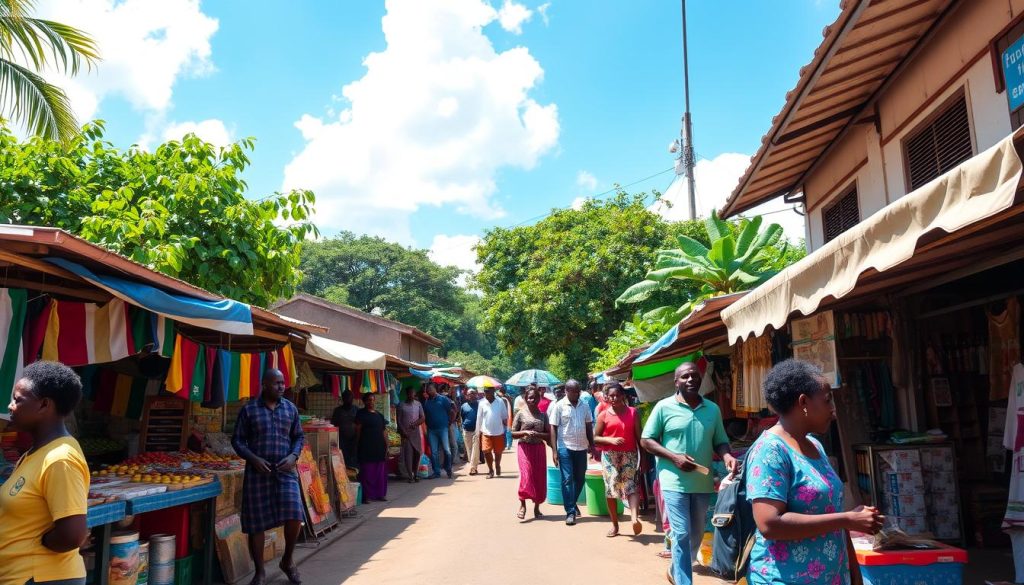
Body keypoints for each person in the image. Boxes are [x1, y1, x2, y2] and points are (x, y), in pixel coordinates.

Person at [746, 360, 883, 585]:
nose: (833, 410)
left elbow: (834, 516)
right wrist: (847, 519)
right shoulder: (770, 450)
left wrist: (855, 578)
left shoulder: (814, 445)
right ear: (803, 402)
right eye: (827, 400)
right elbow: (769, 524)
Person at [641, 362, 736, 585]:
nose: (691, 379)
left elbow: (720, 441)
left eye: (694, 375)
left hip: (701, 482)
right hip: (673, 480)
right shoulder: (664, 407)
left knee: (696, 534)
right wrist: (674, 457)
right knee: (681, 533)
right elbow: (647, 440)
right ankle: (685, 581)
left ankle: (675, 568)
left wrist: (727, 456)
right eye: (685, 377)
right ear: (676, 382)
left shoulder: (712, 409)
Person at [0, 361, 89, 585]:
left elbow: (72, 535)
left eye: (18, 400)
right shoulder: (35, 453)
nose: (10, 406)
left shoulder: (60, 458)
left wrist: (37, 543)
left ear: (44, 405)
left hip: (42, 577)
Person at [232, 369, 305, 585]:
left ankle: (288, 561)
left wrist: (293, 456)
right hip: (258, 472)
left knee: (295, 513)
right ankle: (260, 572)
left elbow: (299, 437)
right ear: (264, 385)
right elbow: (237, 440)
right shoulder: (249, 410)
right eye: (276, 383)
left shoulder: (290, 409)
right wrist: (253, 459)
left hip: (285, 471)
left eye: (283, 383)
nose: (281, 387)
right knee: (257, 523)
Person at [595, 383, 644, 537]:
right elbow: (595, 438)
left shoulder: (633, 412)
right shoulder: (603, 415)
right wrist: (610, 440)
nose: (614, 398)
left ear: (623, 396)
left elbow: (639, 437)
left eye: (617, 395)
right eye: (611, 396)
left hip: (630, 454)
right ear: (607, 397)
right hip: (610, 456)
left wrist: (643, 458)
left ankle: (634, 518)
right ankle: (615, 525)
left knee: (631, 486)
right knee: (611, 489)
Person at [549, 379, 594, 525]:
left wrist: (592, 445)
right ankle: (570, 512)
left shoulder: (585, 406)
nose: (576, 394)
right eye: (573, 391)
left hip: (581, 447)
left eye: (578, 391)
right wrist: (555, 451)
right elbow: (553, 428)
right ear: (566, 391)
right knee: (567, 479)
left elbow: (588, 427)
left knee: (580, 478)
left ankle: (572, 502)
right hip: (565, 447)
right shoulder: (559, 406)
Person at [512, 386, 549, 520]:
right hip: (525, 448)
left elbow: (549, 434)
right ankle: (522, 504)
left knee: (538, 478)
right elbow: (512, 433)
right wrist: (524, 432)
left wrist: (539, 434)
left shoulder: (543, 415)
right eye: (529, 397)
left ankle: (537, 508)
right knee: (526, 475)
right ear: (525, 399)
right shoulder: (521, 414)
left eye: (534, 397)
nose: (532, 400)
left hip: (538, 448)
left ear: (539, 399)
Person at [356, 393, 390, 501]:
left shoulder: (379, 415)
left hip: (379, 447)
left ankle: (380, 494)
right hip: (366, 447)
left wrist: (387, 446)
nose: (371, 402)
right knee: (367, 472)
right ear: (364, 402)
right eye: (369, 400)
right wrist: (357, 445)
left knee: (380, 473)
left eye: (372, 400)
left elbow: (384, 431)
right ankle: (367, 496)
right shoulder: (361, 414)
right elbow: (358, 431)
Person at [422, 383, 455, 479]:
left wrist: (450, 422)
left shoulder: (443, 399)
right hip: (431, 430)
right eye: (428, 390)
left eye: (430, 389)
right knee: (434, 452)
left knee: (447, 450)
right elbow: (425, 415)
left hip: (443, 428)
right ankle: (436, 472)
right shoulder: (427, 402)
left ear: (435, 389)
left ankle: (448, 469)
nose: (429, 391)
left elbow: (452, 411)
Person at [475, 387, 508, 478]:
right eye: (485, 391)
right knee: (486, 451)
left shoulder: (500, 401)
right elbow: (479, 418)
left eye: (488, 391)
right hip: (485, 432)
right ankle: (490, 470)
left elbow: (505, 416)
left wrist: (507, 429)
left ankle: (497, 465)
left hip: (498, 431)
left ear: (493, 391)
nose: (486, 393)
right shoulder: (481, 402)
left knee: (498, 452)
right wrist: (477, 432)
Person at [396, 388, 425, 484]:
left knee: (417, 452)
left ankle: (416, 473)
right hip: (405, 433)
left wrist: (415, 424)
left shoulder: (418, 404)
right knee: (408, 454)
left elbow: (422, 417)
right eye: (410, 394)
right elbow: (398, 420)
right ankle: (410, 476)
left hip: (415, 432)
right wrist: (403, 431)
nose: (411, 396)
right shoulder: (401, 405)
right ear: (407, 394)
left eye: (413, 394)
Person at [330, 390, 359, 470]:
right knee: (343, 457)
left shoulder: (356, 410)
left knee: (354, 457)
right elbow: (333, 425)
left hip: (354, 439)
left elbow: (360, 424)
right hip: (341, 439)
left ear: (352, 398)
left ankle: (354, 474)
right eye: (346, 398)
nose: (348, 399)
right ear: (343, 399)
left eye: (350, 398)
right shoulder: (338, 411)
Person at [460, 389, 482, 475]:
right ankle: (473, 466)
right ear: (466, 396)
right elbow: (462, 417)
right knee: (469, 450)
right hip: (466, 430)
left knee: (475, 449)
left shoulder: (480, 405)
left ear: (476, 395)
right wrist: (462, 427)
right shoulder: (463, 406)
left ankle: (472, 468)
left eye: (473, 393)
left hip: (476, 430)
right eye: (469, 394)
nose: (471, 395)